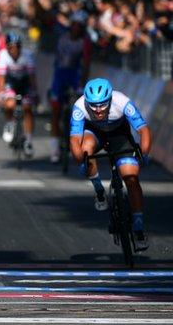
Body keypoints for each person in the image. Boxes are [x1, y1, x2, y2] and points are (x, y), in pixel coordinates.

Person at [69, 78, 150, 251]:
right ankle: (99, 190)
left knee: (131, 178)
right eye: (94, 106)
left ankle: (138, 225)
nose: (98, 110)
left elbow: (143, 130)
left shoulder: (122, 101)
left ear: (110, 100)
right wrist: (81, 159)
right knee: (85, 149)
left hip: (119, 135)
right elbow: (75, 139)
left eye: (103, 105)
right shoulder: (79, 106)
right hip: (95, 132)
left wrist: (143, 153)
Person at [49, 11, 92, 163]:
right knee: (55, 109)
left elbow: (86, 64)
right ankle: (54, 148)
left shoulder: (85, 41)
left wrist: (82, 85)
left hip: (75, 75)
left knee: (79, 109)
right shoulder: (62, 36)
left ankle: (77, 141)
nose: (75, 28)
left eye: (79, 26)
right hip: (60, 74)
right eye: (73, 25)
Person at [0, 32, 37, 157]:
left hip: (24, 83)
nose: (14, 50)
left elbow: (31, 77)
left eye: (17, 47)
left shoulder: (27, 55)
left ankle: (29, 141)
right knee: (9, 104)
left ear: (21, 47)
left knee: (28, 108)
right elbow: (1, 78)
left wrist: (34, 92)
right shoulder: (3, 55)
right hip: (11, 82)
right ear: (7, 47)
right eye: (11, 47)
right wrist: (1, 95)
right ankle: (9, 123)